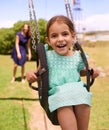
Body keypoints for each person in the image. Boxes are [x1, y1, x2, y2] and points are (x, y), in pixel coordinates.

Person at [26, 15, 99, 130]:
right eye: (54, 36)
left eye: (65, 34)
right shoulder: (48, 57)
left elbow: (81, 72)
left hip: (77, 91)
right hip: (59, 93)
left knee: (84, 100)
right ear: (48, 41)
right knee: (64, 104)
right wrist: (31, 76)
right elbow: (39, 74)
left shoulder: (78, 57)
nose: (60, 39)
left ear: (73, 37)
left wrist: (91, 72)